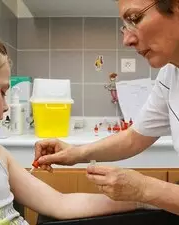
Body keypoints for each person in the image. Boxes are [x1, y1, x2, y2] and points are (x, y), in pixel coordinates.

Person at [35, 0, 179, 216]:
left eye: (135, 18)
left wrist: (144, 189)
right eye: (125, 27)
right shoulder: (170, 74)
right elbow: (134, 137)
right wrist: (75, 154)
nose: (127, 40)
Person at [0, 40, 149, 225]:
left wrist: (144, 199)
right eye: (1, 93)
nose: (6, 107)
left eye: (4, 93)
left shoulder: (1, 156)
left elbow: (60, 203)